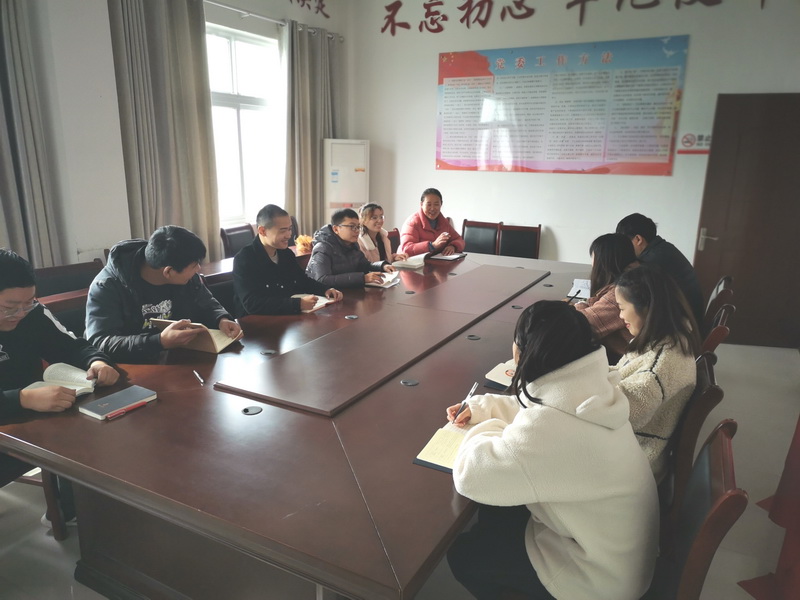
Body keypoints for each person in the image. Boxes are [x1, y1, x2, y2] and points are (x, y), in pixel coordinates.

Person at [446, 300, 658, 600]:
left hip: (596, 580)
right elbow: (541, 408)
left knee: (465, 555)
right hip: (620, 559)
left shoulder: (553, 427)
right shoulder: (593, 390)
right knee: (498, 512)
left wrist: (489, 426)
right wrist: (483, 407)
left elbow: (471, 476)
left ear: (521, 352)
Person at [0, 249, 119, 520]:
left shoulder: (34, 313)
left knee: (93, 424)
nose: (20, 313)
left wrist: (97, 361)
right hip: (17, 411)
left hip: (36, 412)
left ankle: (70, 511)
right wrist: (21, 399)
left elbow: (70, 345)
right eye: (10, 306)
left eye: (28, 302)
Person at [85, 226, 241, 363]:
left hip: (179, 360)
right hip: (133, 369)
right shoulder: (107, 286)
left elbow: (206, 302)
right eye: (194, 265)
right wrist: (159, 341)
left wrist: (221, 319)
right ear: (168, 271)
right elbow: (101, 342)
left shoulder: (185, 275)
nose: (198, 269)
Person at [614, 265, 701, 482]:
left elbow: (619, 415)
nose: (620, 315)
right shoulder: (671, 337)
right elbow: (621, 372)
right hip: (634, 442)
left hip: (636, 459)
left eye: (622, 308)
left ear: (647, 308)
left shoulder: (658, 369)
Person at [233, 204, 343, 315]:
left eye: (289, 229)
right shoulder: (245, 259)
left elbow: (302, 281)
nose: (289, 235)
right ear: (262, 231)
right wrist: (297, 304)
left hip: (285, 316)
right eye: (283, 231)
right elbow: (252, 303)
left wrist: (325, 290)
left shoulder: (286, 254)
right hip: (256, 321)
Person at [616, 213, 704, 326]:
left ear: (638, 239)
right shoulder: (662, 248)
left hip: (682, 323)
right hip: (690, 316)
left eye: (625, 243)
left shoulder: (652, 260)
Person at [573, 232, 638, 361]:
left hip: (620, 359)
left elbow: (583, 323)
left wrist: (579, 305)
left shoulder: (622, 291)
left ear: (602, 260)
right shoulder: (634, 275)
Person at [307, 208, 396, 289]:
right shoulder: (323, 248)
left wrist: (382, 266)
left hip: (347, 292)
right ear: (336, 229)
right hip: (323, 297)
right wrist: (363, 278)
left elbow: (365, 265)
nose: (357, 231)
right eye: (352, 227)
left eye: (358, 227)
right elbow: (322, 280)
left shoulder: (353, 244)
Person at [399, 188, 465, 257]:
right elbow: (407, 248)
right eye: (429, 204)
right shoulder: (412, 222)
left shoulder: (443, 222)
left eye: (436, 204)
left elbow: (459, 239)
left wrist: (453, 246)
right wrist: (432, 245)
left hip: (434, 261)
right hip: (410, 262)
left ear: (441, 204)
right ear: (421, 204)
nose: (432, 208)